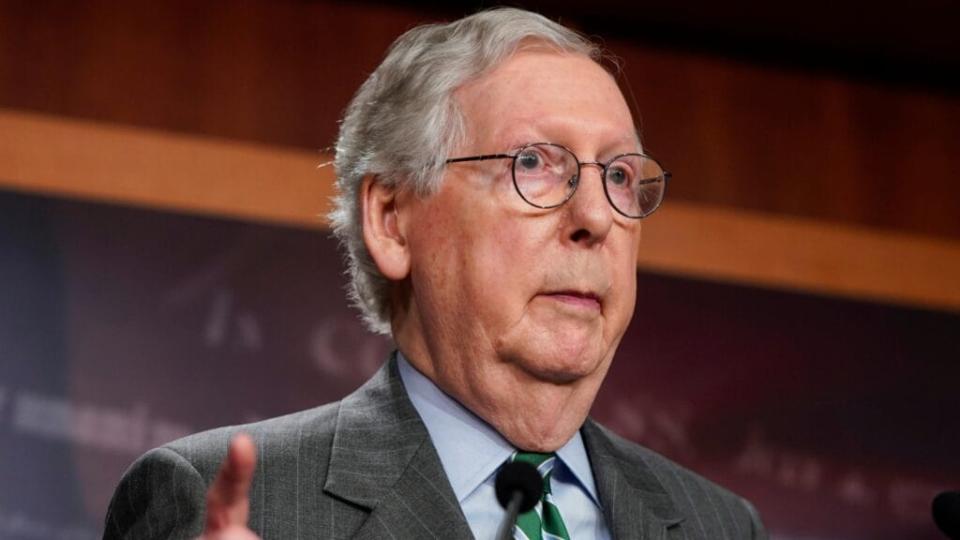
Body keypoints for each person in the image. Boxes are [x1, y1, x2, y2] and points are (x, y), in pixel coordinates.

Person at [103, 7, 766, 539]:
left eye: (619, 174)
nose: (594, 214)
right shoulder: (223, 503)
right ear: (392, 220)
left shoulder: (720, 527)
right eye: (534, 164)